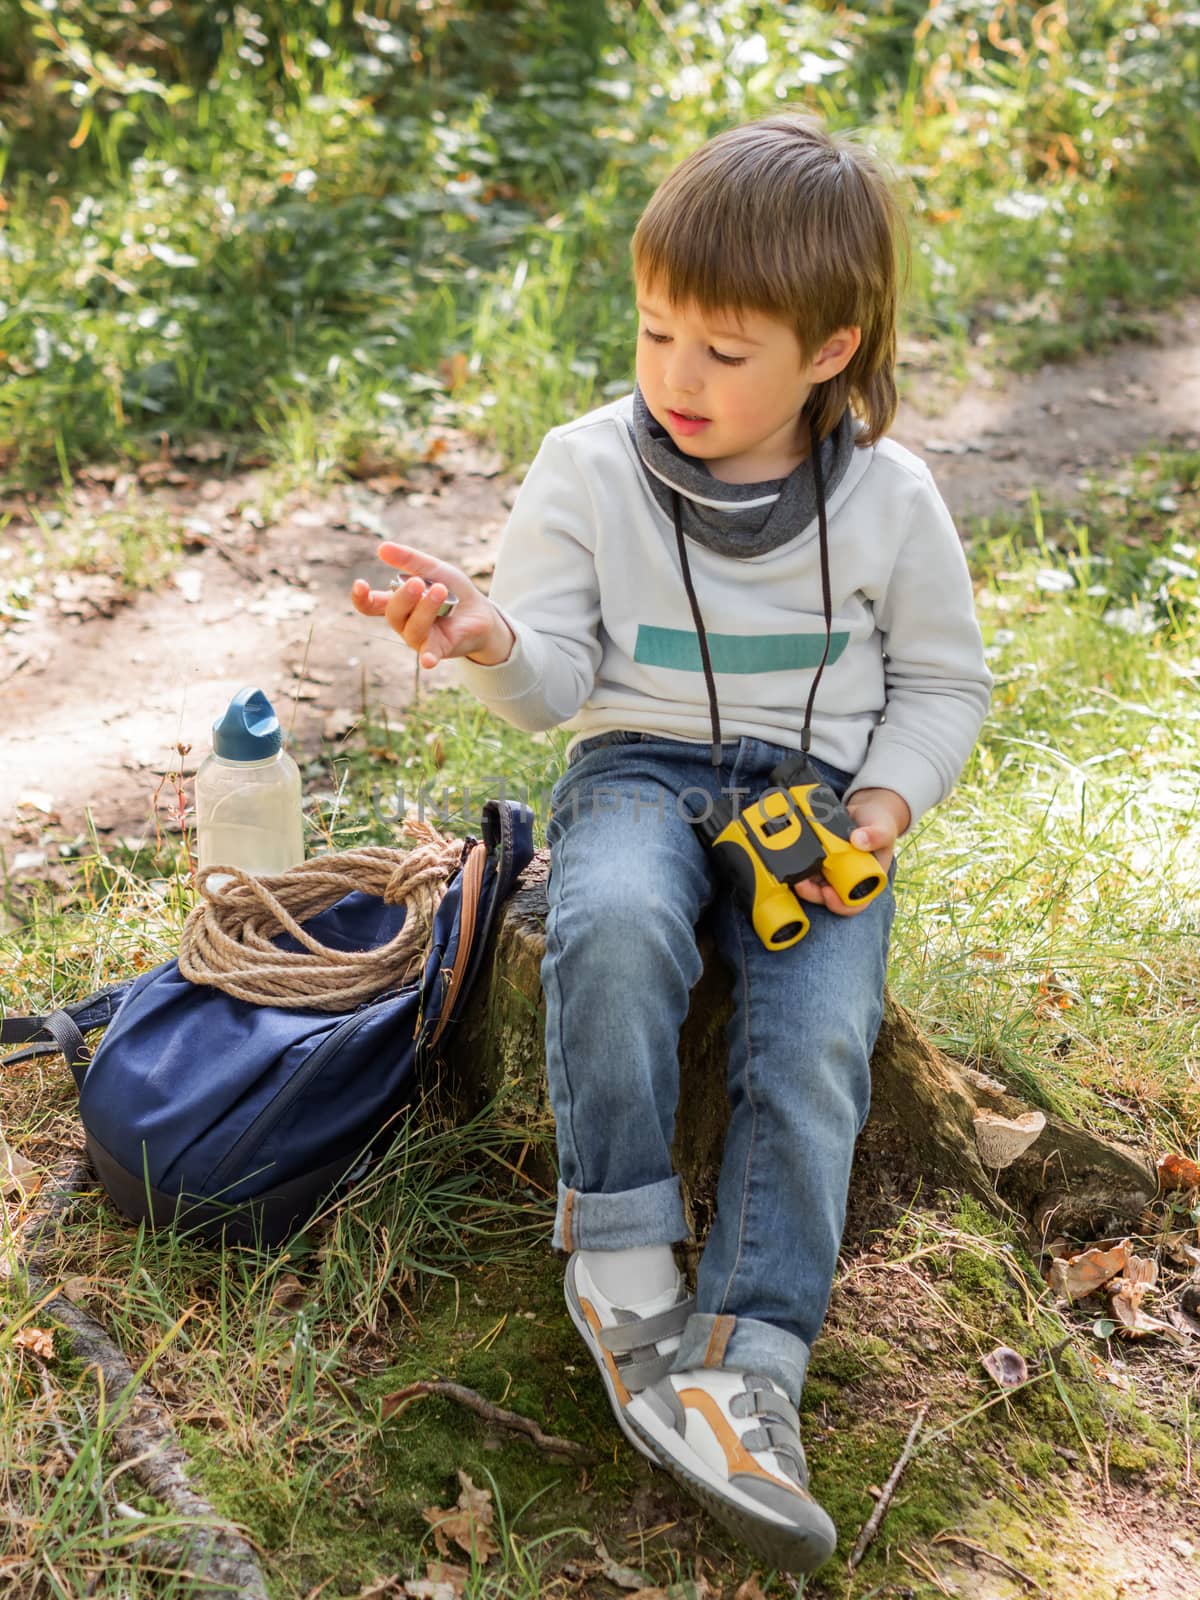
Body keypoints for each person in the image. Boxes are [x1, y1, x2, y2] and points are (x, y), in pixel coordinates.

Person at [351, 113, 992, 1574]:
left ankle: (752, 1354)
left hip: (815, 806)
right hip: (635, 765)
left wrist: (880, 810)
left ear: (831, 350)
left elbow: (947, 684)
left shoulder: (890, 502)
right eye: (655, 333)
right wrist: (488, 637)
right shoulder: (586, 468)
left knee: (817, 1032)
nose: (677, 377)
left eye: (725, 347)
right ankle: (624, 1247)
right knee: (617, 919)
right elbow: (555, 687)